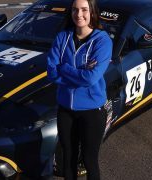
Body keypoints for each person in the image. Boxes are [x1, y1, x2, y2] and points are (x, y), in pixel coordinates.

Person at [47, 0, 112, 179]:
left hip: (92, 111)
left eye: (84, 9)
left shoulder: (102, 41)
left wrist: (65, 68)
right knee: (68, 159)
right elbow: (52, 72)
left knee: (89, 160)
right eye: (75, 9)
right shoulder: (62, 37)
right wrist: (79, 72)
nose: (79, 14)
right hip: (65, 110)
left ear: (92, 12)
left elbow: (90, 78)